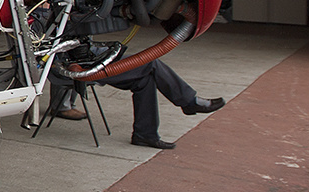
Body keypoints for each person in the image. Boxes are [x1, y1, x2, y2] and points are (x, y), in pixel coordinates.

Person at [51, 60, 224, 150]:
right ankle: (189, 102)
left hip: (93, 58)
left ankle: (145, 135)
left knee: (144, 79)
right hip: (76, 66)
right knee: (149, 64)